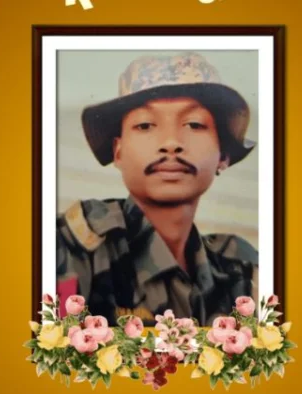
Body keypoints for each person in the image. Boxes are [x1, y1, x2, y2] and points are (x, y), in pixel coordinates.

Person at [56, 52, 259, 327]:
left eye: (194, 124)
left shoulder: (241, 270)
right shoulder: (74, 246)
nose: (171, 143)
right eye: (145, 125)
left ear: (223, 156)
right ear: (118, 151)